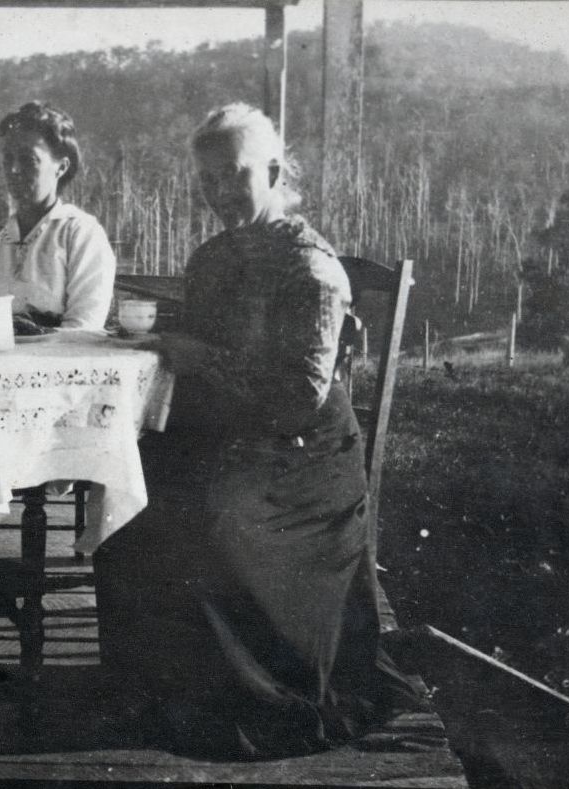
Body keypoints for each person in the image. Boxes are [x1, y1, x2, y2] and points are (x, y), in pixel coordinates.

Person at [94, 103, 424, 760]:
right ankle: (160, 692)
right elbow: (208, 344)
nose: (218, 193)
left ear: (273, 171)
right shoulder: (213, 255)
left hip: (303, 456)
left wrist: (201, 357)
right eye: (207, 179)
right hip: (230, 430)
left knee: (212, 516)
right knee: (126, 495)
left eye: (233, 176)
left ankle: (247, 699)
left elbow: (299, 396)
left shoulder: (311, 268)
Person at [0, 100, 116, 330]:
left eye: (28, 159)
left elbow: (83, 330)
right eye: (8, 159)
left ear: (61, 167)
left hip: (55, 364)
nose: (14, 170)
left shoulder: (81, 234)